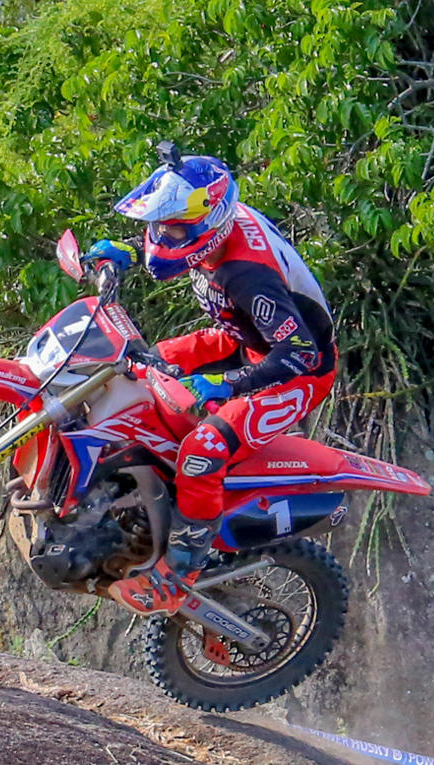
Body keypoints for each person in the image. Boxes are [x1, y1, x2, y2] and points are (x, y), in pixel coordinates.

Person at [83, 143, 338, 617]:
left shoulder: (246, 274)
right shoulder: (213, 227)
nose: (164, 236)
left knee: (203, 452)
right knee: (126, 358)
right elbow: (177, 236)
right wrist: (121, 253)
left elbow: (300, 354)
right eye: (160, 226)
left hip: (297, 373)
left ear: (211, 221)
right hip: (237, 338)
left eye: (175, 228)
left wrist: (226, 384)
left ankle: (178, 574)